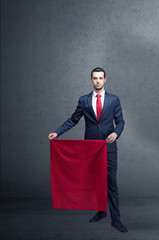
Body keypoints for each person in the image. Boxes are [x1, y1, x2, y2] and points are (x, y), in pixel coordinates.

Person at [48, 67, 127, 232]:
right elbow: (73, 120)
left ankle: (116, 219)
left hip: (108, 147)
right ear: (91, 80)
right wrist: (57, 132)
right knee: (96, 182)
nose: (98, 80)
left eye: (100, 78)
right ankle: (100, 212)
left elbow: (120, 122)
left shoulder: (114, 100)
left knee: (111, 183)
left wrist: (115, 133)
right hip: (90, 148)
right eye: (95, 78)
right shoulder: (83, 100)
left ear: (105, 79)